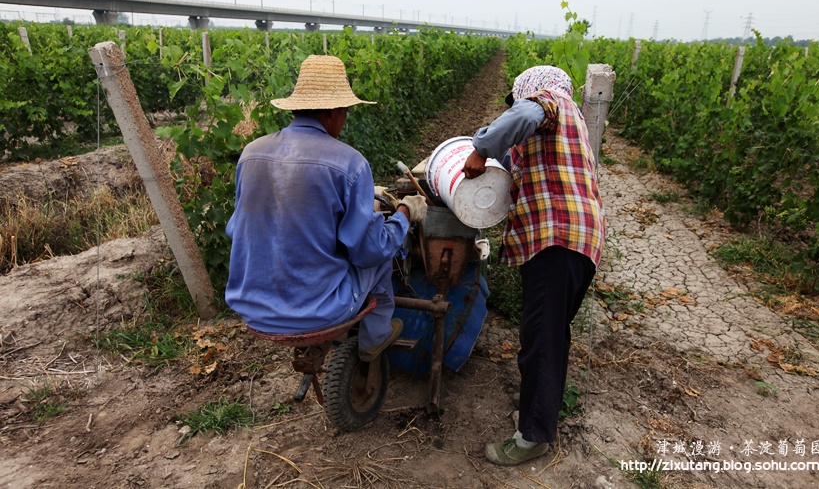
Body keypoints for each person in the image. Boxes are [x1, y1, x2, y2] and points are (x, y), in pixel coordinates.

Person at [225, 55, 428, 362]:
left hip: (251, 308)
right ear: (334, 112)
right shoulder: (350, 163)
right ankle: (375, 338)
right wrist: (404, 213)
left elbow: (239, 228)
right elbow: (370, 250)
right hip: (317, 313)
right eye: (345, 112)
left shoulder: (251, 154)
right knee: (382, 259)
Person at [462, 65, 606, 466]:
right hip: (577, 239)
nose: (517, 106)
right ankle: (540, 410)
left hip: (557, 238)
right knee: (552, 334)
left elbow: (524, 114)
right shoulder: (568, 122)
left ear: (530, 89)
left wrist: (480, 148)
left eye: (517, 99)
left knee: (541, 339)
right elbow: (515, 160)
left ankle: (533, 436)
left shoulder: (549, 101)